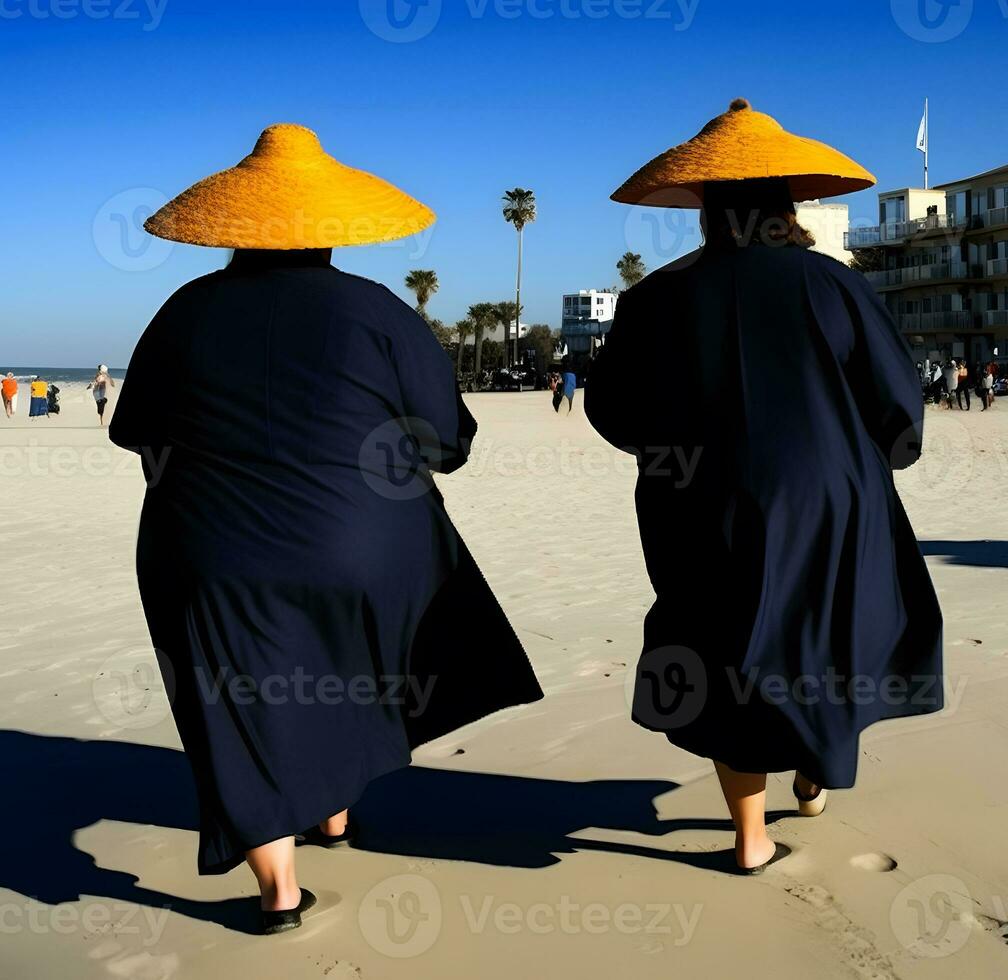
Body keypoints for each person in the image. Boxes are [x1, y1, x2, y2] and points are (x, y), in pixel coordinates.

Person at [109, 124, 543, 934]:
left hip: (207, 546)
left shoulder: (185, 311)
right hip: (362, 543)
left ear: (235, 230)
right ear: (329, 231)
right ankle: (335, 810)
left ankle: (278, 890)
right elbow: (448, 443)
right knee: (346, 662)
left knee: (238, 695)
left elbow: (135, 431)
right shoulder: (375, 311)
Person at [589, 100, 943, 875]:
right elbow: (897, 401)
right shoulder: (831, 283)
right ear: (787, 202)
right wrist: (878, 457)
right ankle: (815, 765)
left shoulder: (656, 298)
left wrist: (667, 456)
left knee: (722, 648)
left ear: (707, 209)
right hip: (830, 493)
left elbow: (611, 409)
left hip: (699, 499)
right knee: (830, 632)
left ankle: (750, 837)